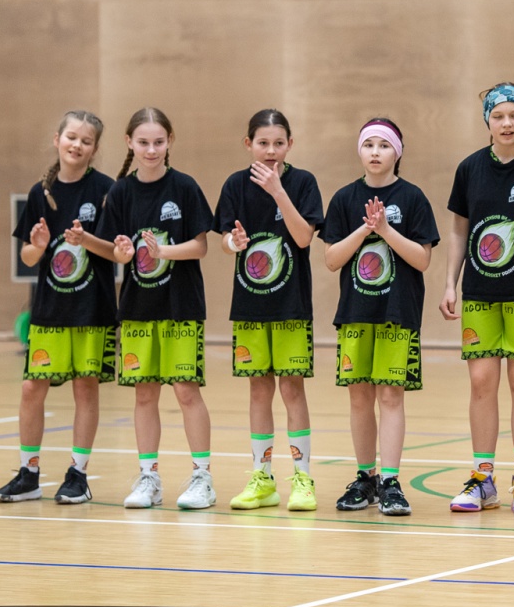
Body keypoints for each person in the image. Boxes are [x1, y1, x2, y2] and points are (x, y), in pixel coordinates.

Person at [441, 83, 514, 515]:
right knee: (481, 383)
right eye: (498, 116)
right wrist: (451, 283)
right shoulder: (470, 169)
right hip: (480, 296)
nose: (507, 123)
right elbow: (459, 231)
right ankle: (482, 478)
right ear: (487, 121)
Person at [98, 107, 217, 510]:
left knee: (186, 391)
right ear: (129, 143)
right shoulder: (121, 192)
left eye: (159, 142)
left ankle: (202, 478)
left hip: (181, 305)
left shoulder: (184, 187)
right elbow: (117, 252)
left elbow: (200, 246)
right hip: (137, 307)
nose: (151, 150)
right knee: (144, 394)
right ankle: (149, 477)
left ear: (170, 142)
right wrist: (123, 251)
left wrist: (161, 251)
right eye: (143, 142)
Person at [0, 111, 115, 505]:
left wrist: (87, 241)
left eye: (86, 140)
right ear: (57, 139)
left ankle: (78, 475)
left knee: (85, 387)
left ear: (94, 148)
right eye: (71, 137)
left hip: (92, 308)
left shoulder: (106, 190)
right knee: (32, 388)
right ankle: (28, 474)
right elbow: (29, 257)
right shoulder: (39, 193)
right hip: (49, 309)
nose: (77, 145)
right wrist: (39, 245)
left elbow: (117, 252)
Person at [323, 118, 439, 517]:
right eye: (369, 144)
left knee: (390, 395)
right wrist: (364, 231)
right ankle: (366, 478)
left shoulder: (413, 197)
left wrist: (387, 230)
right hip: (356, 313)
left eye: (384, 145)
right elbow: (331, 259)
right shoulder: (344, 198)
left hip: (397, 313)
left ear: (397, 152)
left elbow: (422, 259)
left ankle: (390, 481)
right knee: (359, 395)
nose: (375, 152)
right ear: (360, 150)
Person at [218, 109, 325, 513]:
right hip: (250, 305)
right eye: (263, 143)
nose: (271, 150)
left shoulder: (302, 183)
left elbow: (303, 237)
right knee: (258, 389)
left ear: (290, 145)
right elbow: (225, 240)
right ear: (249, 145)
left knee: (292, 389)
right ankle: (262, 479)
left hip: (291, 305)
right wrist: (234, 243)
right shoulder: (234, 185)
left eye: (279, 143)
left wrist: (279, 192)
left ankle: (303, 478)